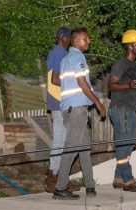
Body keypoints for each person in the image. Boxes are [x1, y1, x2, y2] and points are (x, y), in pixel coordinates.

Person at [53, 28, 106, 200]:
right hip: (76, 109)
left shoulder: (66, 59)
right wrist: (98, 103)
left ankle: (89, 185)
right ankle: (60, 188)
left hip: (71, 108)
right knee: (71, 148)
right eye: (85, 38)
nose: (88, 41)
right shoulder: (77, 57)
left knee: (84, 149)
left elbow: (64, 82)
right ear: (76, 41)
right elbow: (82, 82)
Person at [108, 29, 136, 192]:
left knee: (128, 143)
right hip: (121, 109)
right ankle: (128, 179)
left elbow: (133, 90)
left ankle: (118, 177)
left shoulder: (132, 66)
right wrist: (128, 85)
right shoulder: (121, 64)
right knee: (124, 144)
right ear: (129, 46)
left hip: (129, 109)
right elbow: (111, 85)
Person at [45, 27, 79, 193]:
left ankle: (58, 175)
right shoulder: (59, 52)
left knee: (63, 140)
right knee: (60, 140)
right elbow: (55, 79)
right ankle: (54, 176)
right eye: (69, 38)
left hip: (59, 102)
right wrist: (75, 83)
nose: (70, 41)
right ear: (63, 38)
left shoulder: (57, 52)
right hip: (59, 103)